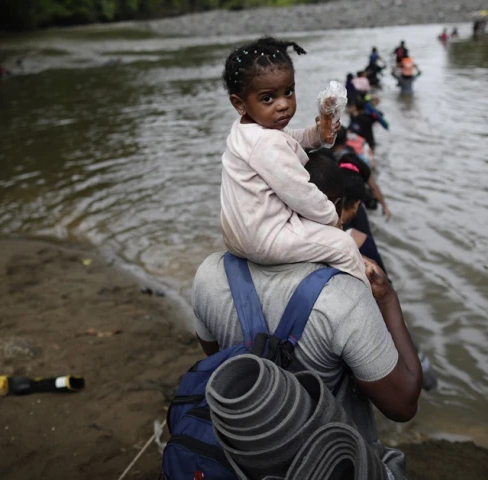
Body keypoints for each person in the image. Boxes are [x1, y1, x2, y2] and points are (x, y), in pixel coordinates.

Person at [192, 155, 424, 479]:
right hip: (333, 464)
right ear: (338, 205)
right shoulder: (344, 296)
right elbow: (403, 405)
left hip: (249, 460)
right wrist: (387, 298)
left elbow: (222, 362)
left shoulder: (208, 274)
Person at [219, 36, 370, 286]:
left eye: (288, 92)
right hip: (263, 239)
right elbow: (301, 193)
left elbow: (292, 140)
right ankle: (363, 297)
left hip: (237, 235)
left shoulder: (246, 130)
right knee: (343, 246)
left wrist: (320, 132)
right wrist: (334, 220)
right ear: (239, 103)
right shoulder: (267, 143)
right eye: (268, 98)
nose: (283, 105)